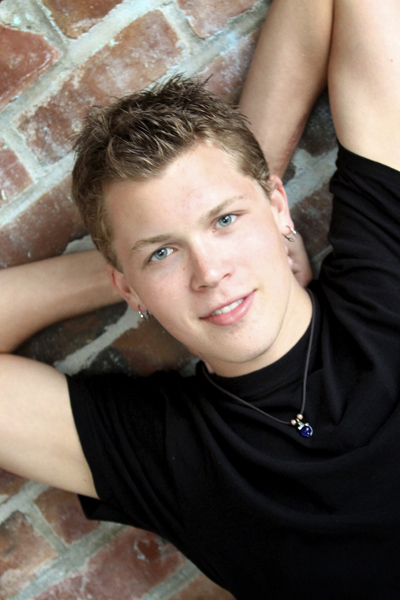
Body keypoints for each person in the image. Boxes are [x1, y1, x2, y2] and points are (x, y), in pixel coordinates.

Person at [1, 0, 400, 597]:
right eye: (164, 253)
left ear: (279, 205)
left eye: (225, 221)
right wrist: (135, 262)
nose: (210, 272)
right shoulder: (168, 454)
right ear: (127, 286)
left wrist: (239, 186)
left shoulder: (386, 274)